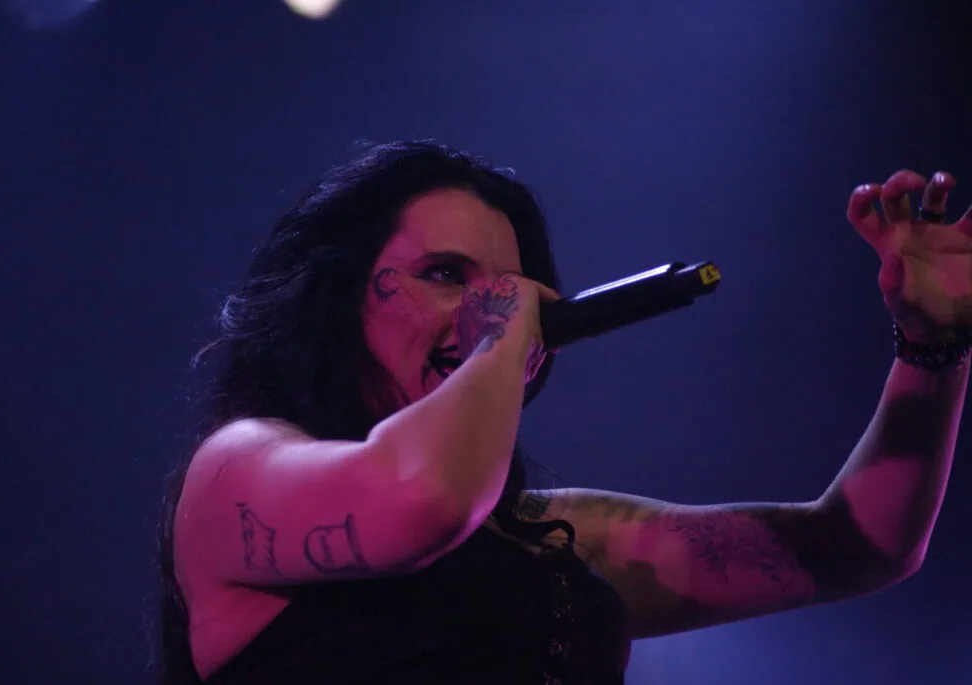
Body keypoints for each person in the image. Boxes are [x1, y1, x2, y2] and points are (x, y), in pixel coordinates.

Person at [153, 140, 972, 685]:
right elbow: (423, 497)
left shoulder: (545, 539)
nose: (487, 309)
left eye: (509, 290)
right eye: (445, 274)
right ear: (339, 297)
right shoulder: (238, 472)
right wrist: (504, 325)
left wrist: (932, 346)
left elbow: (855, 545)